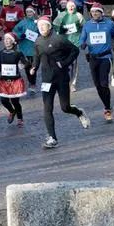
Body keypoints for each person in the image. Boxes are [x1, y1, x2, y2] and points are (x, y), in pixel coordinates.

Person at [30, 15, 88, 148]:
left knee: (65, 108)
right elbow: (36, 57)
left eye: (45, 26)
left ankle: (78, 112)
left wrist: (65, 63)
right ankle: (52, 138)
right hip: (46, 79)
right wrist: (34, 67)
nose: (42, 28)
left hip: (61, 77)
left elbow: (75, 51)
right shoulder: (38, 41)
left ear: (49, 26)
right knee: (47, 108)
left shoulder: (59, 39)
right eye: (40, 26)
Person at [78, 3, 114, 123]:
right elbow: (82, 37)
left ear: (101, 13)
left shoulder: (109, 23)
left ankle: (107, 109)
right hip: (93, 58)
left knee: (104, 84)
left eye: (97, 12)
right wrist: (82, 44)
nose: (95, 14)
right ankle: (107, 106)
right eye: (93, 12)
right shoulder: (88, 25)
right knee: (98, 86)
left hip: (106, 57)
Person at [0, 32, 28, 126]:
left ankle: (20, 118)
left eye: (8, 39)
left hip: (15, 80)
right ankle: (12, 111)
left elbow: (26, 63)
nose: (6, 41)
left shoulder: (18, 53)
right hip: (4, 80)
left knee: (15, 101)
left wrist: (23, 65)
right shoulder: (1, 52)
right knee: (3, 100)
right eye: (5, 39)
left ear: (13, 41)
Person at [53, 0, 86, 91]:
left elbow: (84, 28)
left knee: (74, 63)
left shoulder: (79, 15)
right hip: (63, 43)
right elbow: (54, 25)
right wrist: (61, 29)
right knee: (64, 63)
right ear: (66, 7)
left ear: (75, 7)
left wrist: (83, 39)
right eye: (69, 6)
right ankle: (64, 81)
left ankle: (73, 83)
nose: (71, 7)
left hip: (75, 43)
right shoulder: (62, 15)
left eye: (73, 6)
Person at [12, 7, 39, 94]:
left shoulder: (37, 23)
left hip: (35, 49)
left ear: (33, 13)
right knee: (27, 67)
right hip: (24, 49)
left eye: (30, 12)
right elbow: (14, 31)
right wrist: (21, 35)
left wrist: (38, 37)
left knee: (35, 67)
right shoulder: (22, 23)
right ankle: (31, 83)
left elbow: (42, 32)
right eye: (27, 12)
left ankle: (32, 82)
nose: (29, 13)